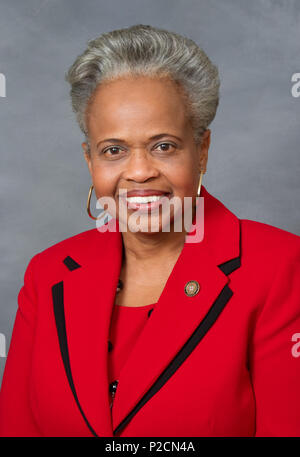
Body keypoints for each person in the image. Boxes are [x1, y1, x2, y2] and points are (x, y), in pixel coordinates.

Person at [0, 24, 299, 437]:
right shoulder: (48, 274)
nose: (139, 172)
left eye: (163, 145)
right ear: (90, 160)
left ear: (202, 150)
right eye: (114, 150)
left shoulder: (282, 268)